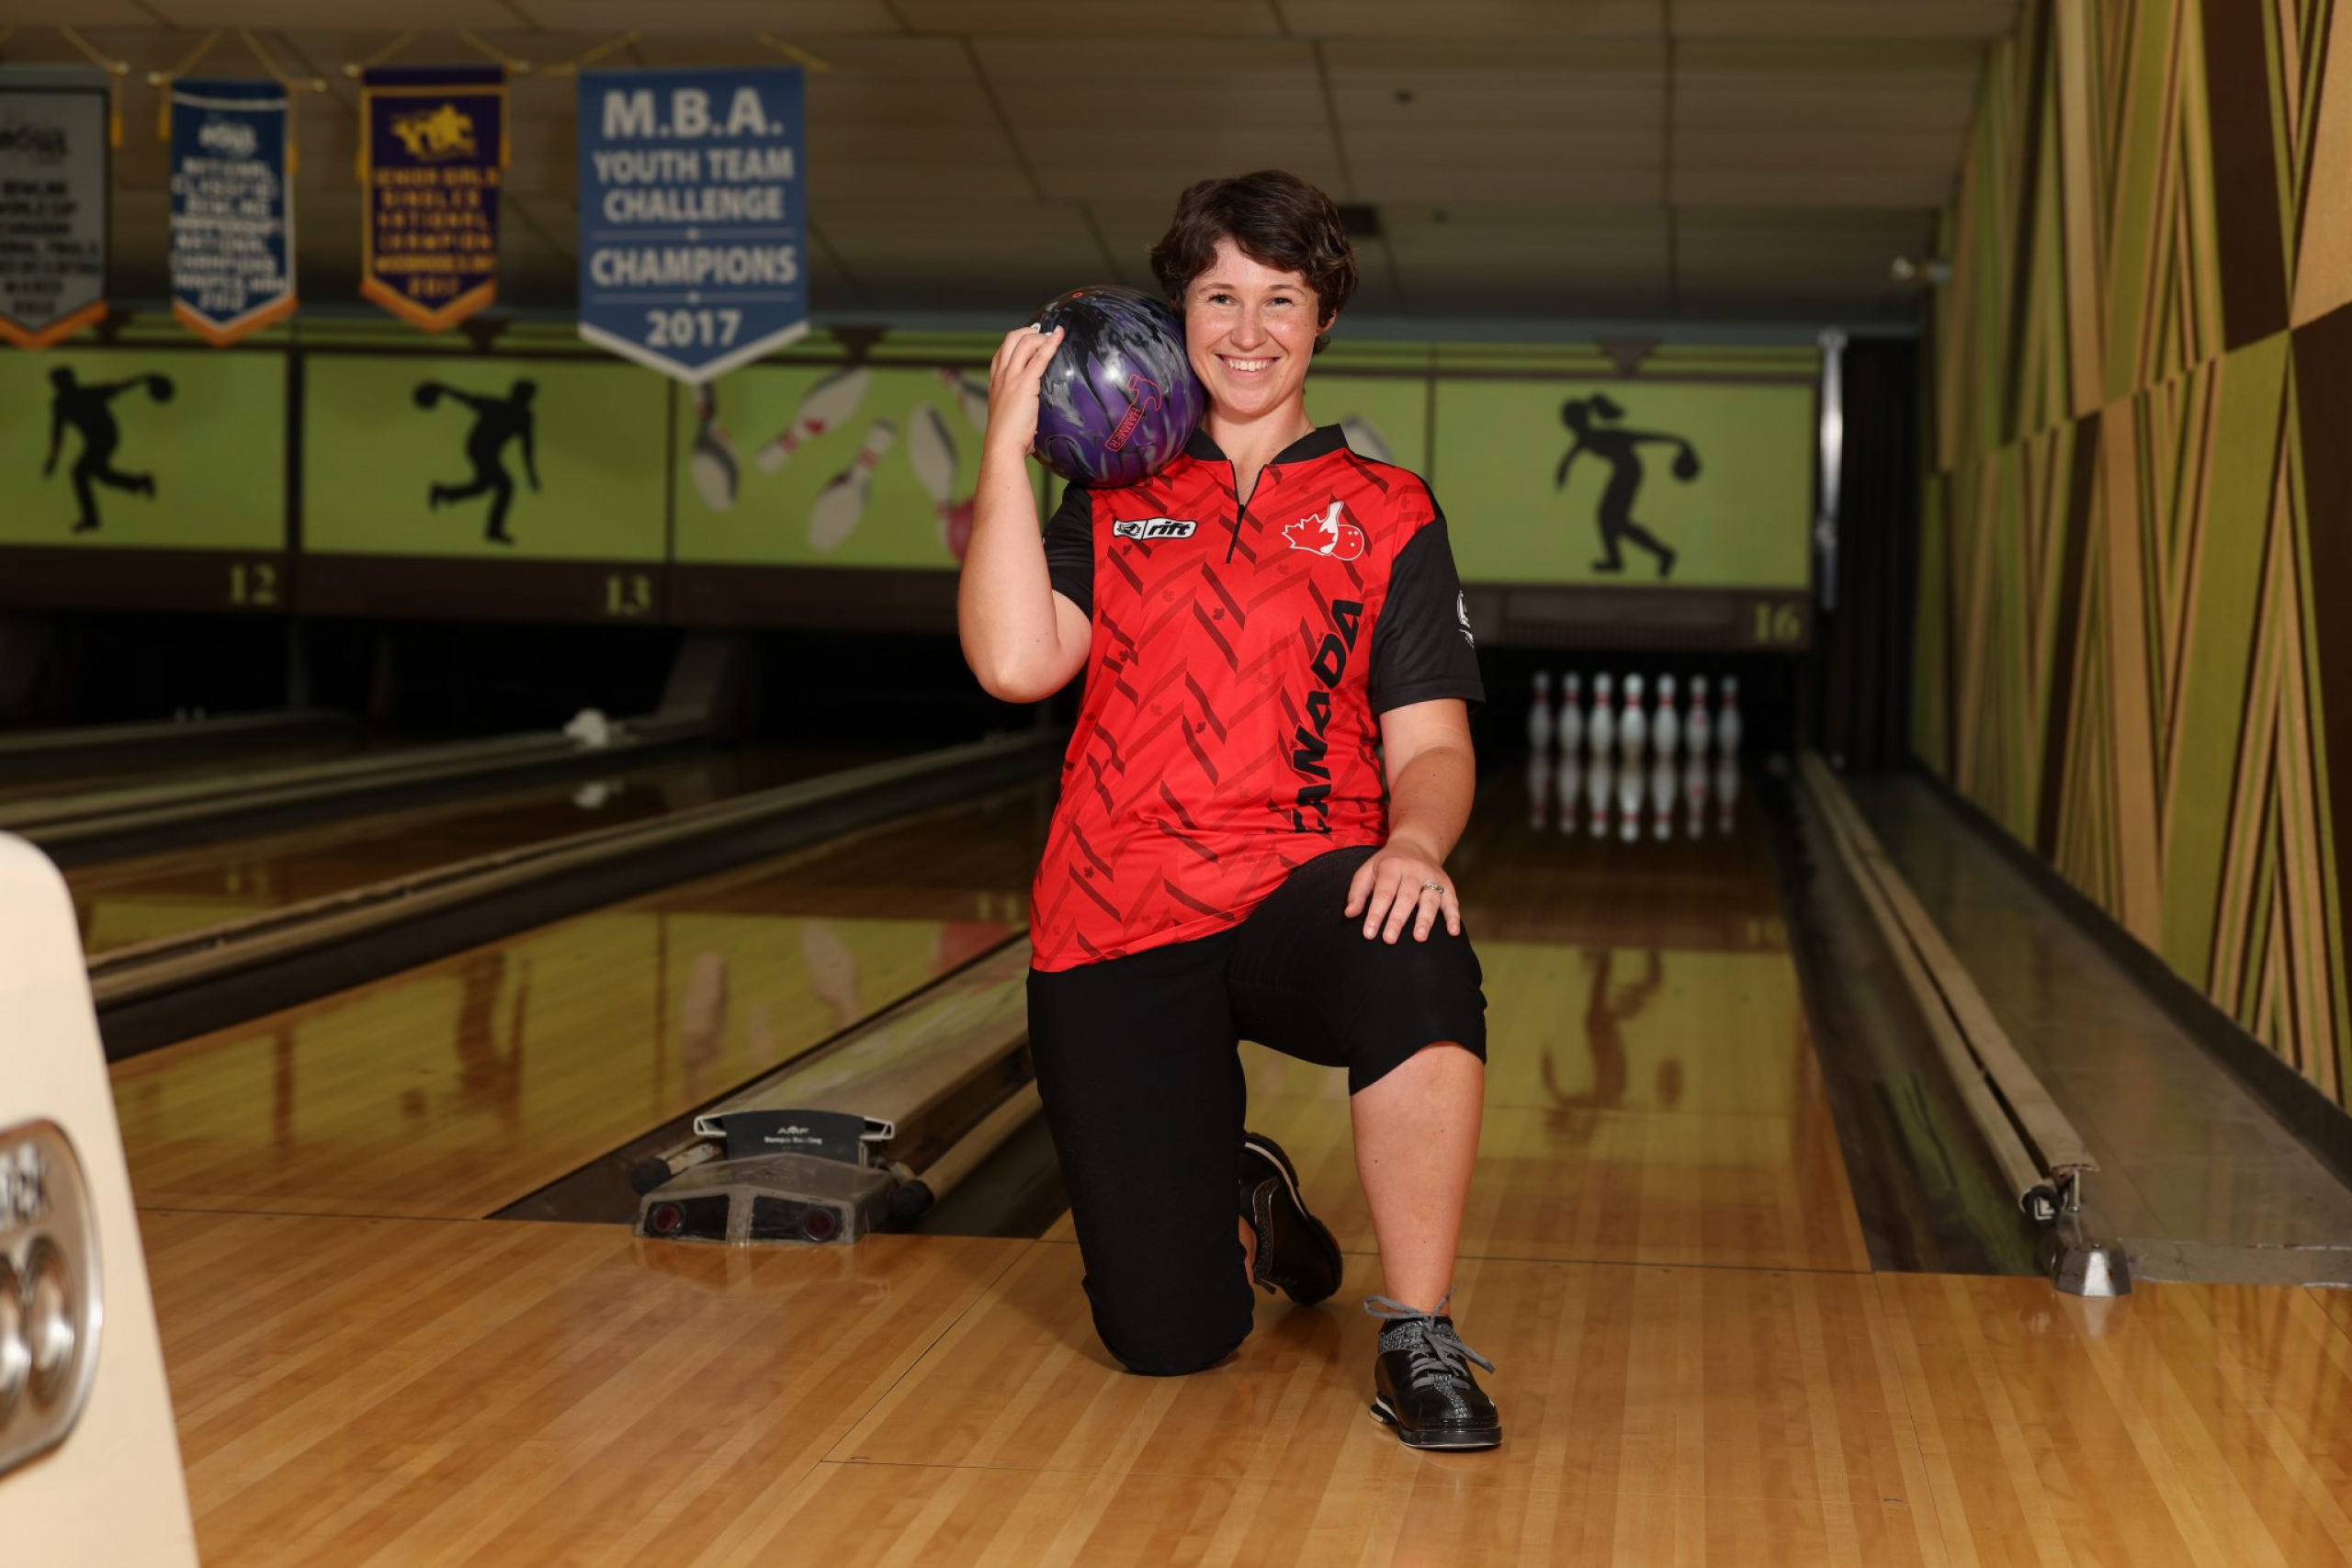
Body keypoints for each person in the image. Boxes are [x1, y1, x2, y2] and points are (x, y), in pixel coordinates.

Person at [958, 170, 1499, 1450]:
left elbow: (1431, 741)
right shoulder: (1110, 495)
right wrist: (1006, 450)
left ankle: (1418, 1330)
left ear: (1323, 317)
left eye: (1281, 299)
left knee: (1412, 942)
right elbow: (1016, 664)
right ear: (1178, 312)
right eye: (1219, 297)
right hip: (1114, 909)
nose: (1248, 330)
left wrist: (1414, 843)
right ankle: (1243, 1190)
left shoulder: (1388, 511)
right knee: (1169, 1338)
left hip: (1299, 886)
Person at [1555, 393, 1691, 578]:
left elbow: (1643, 437)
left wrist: (1678, 441)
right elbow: (1571, 455)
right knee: (1614, 521)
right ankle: (1641, 556)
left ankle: (1657, 554)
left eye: (1567, 420)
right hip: (1624, 472)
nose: (1566, 424)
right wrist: (1562, 472)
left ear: (1573, 422)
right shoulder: (1586, 438)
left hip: (1629, 473)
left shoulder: (1603, 435)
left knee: (1610, 519)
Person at [419, 378, 540, 544]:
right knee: (505, 486)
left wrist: (531, 474)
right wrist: (443, 388)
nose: (527, 399)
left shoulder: (524, 416)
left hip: (488, 453)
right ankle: (493, 531)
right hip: (479, 450)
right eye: (526, 395)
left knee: (482, 487)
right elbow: (466, 398)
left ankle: (444, 493)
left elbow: (527, 446)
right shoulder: (498, 406)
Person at [44, 367, 157, 534]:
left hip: (105, 437)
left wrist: (144, 378)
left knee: (79, 473)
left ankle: (92, 519)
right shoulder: (61, 404)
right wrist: (53, 459)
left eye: (60, 382)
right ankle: (140, 482)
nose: (58, 386)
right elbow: (58, 432)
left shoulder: (87, 394)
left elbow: (120, 387)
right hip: (94, 441)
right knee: (101, 475)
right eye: (56, 383)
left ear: (69, 382)